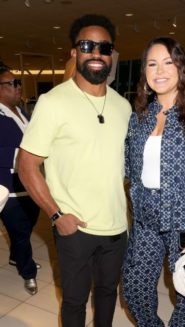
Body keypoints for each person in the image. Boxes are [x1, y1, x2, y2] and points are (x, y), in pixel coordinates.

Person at [18, 14, 131, 326]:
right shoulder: (53, 102)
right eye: (87, 45)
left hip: (116, 227)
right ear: (74, 52)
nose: (96, 53)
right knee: (74, 301)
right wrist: (56, 215)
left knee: (108, 293)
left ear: (112, 55)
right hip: (75, 229)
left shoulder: (124, 107)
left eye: (104, 47)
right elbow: (26, 165)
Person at [121, 37, 185, 327]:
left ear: (182, 68)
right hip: (145, 219)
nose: (160, 70)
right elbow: (130, 167)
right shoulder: (139, 119)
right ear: (144, 72)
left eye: (168, 62)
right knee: (134, 287)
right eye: (152, 64)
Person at [0, 63, 41, 295]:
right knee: (20, 232)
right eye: (12, 84)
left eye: (18, 83)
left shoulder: (22, 112)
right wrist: (23, 156)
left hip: (30, 183)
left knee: (26, 228)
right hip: (9, 186)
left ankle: (17, 258)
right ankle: (28, 273)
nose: (18, 87)